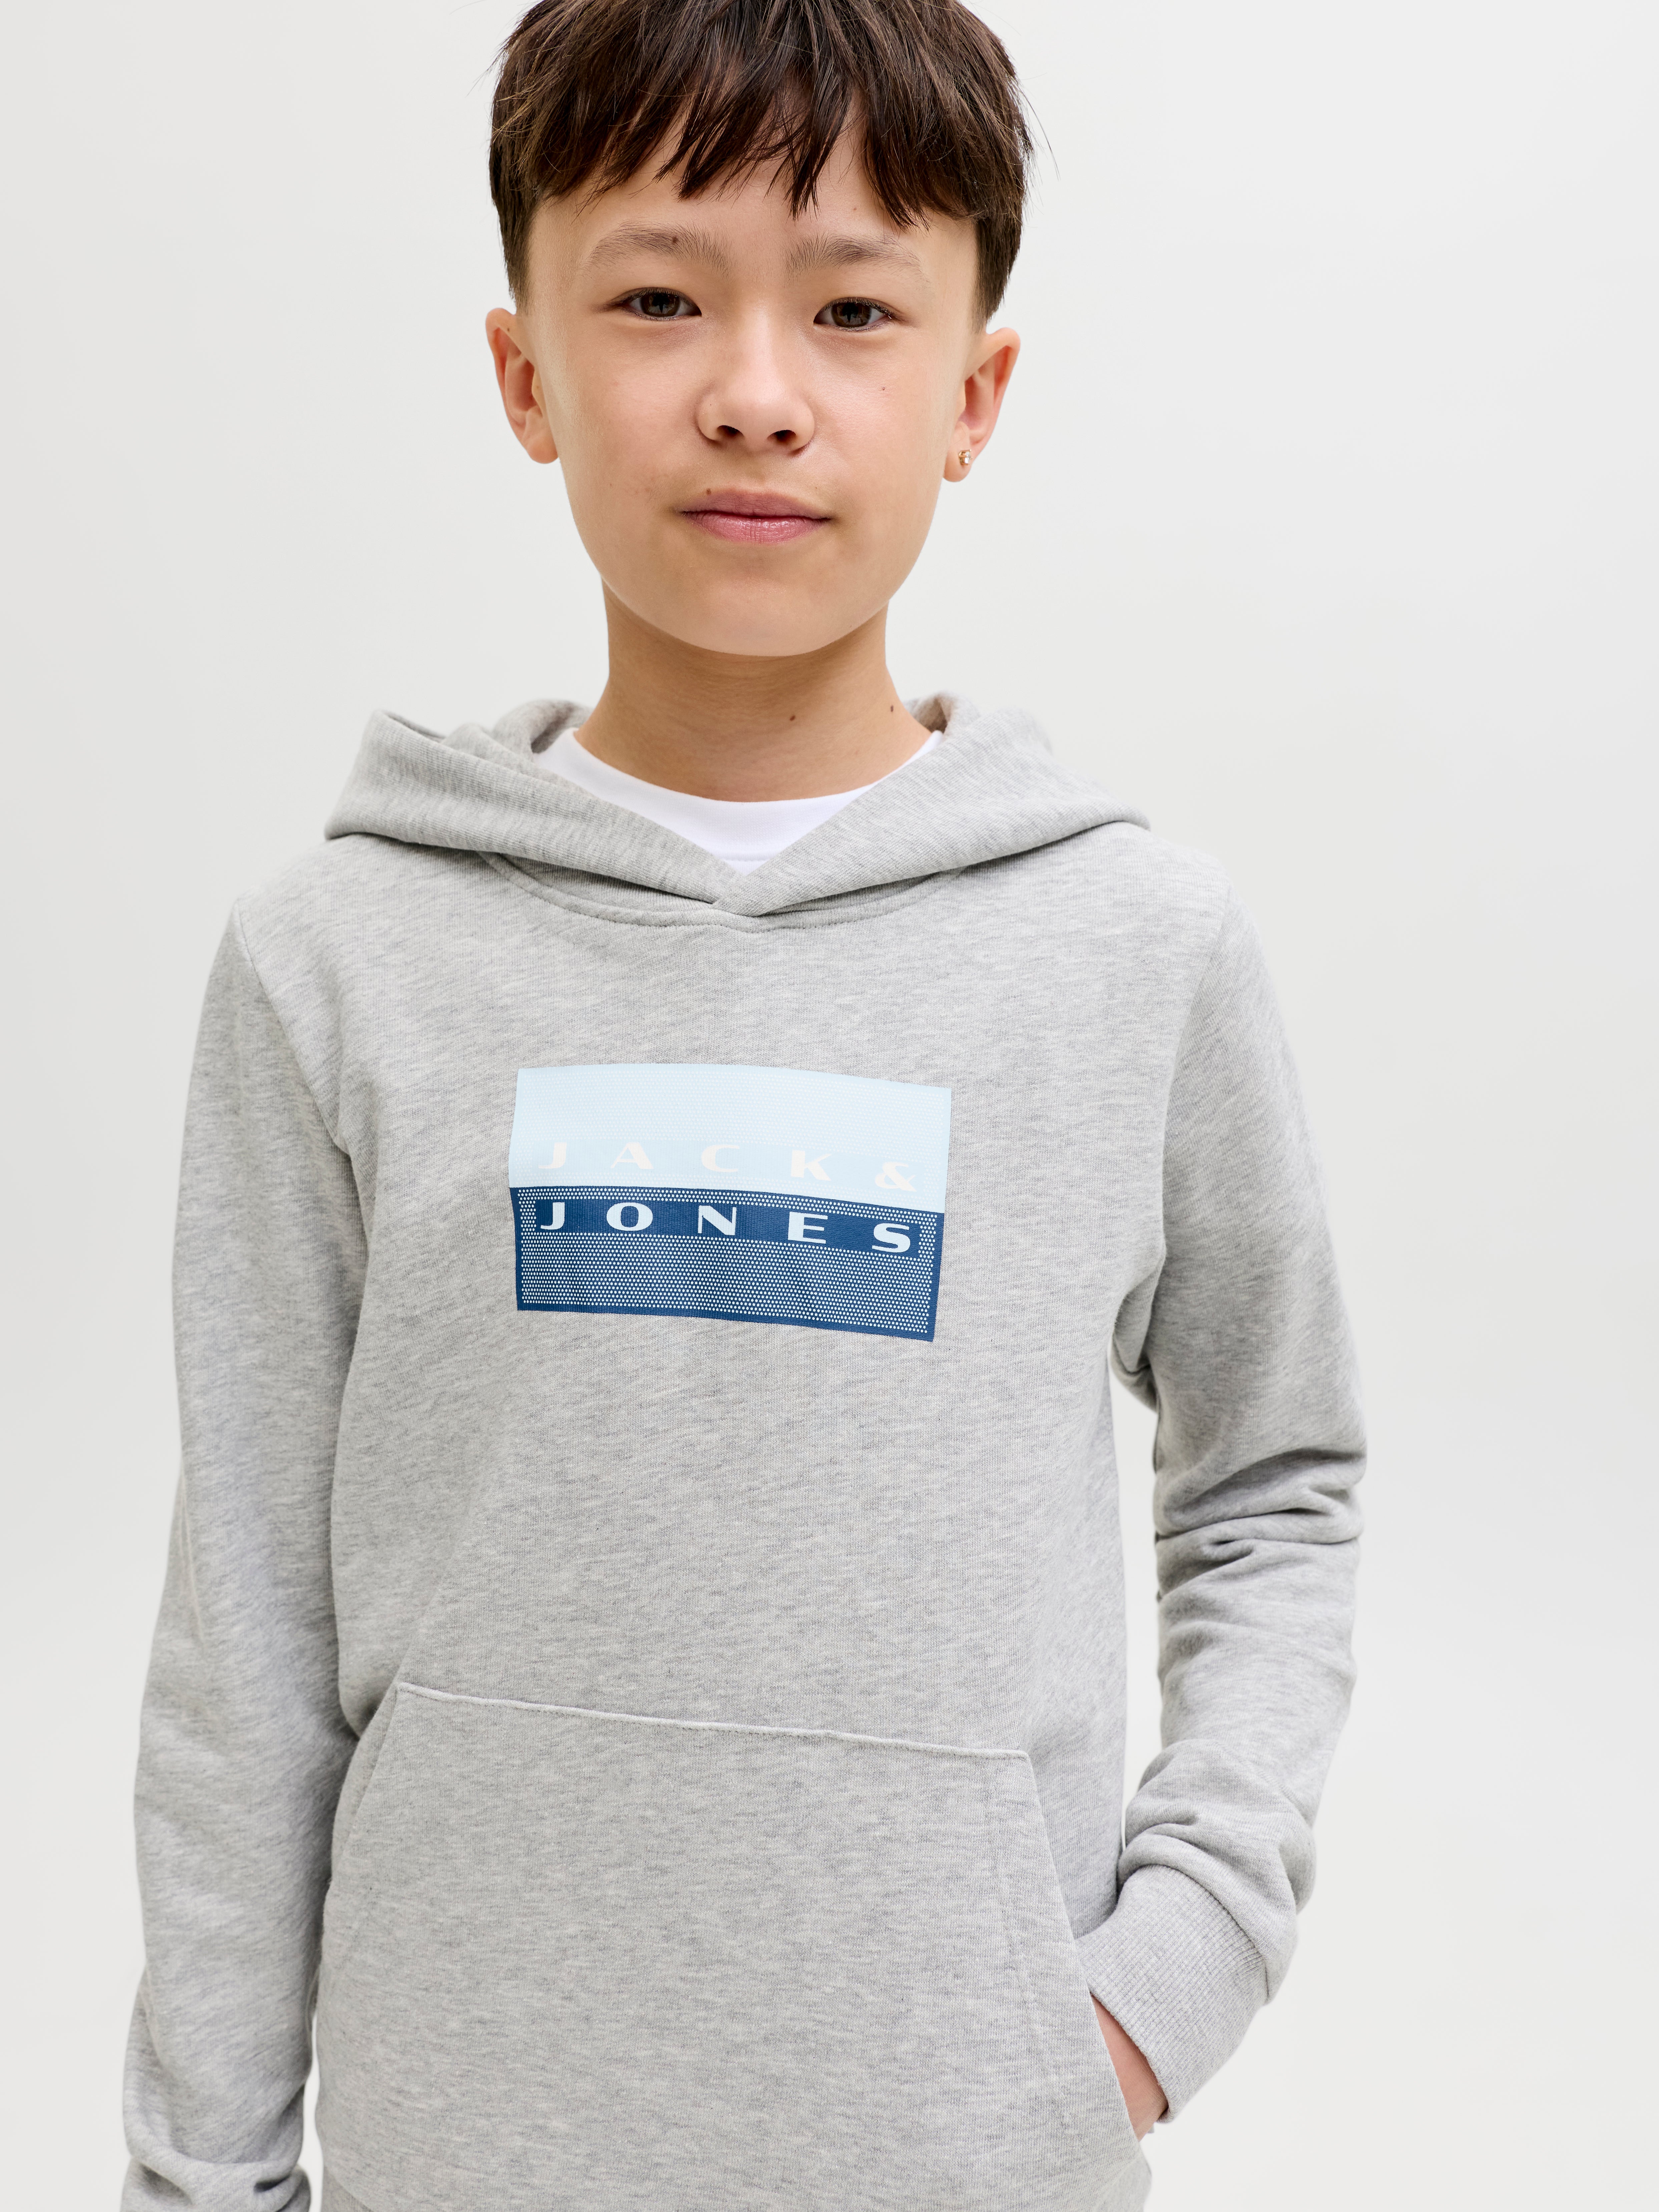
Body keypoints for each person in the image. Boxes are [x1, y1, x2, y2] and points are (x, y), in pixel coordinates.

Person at [122, 3, 1364, 2207]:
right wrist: (200, 2177)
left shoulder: (1138, 948)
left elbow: (1276, 1478)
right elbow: (248, 1636)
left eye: (856, 309)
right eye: (659, 299)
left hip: (977, 2148)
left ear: (975, 393)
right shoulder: (338, 960)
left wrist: (1165, 1978)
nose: (757, 390)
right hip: (457, 2150)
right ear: (523, 371)